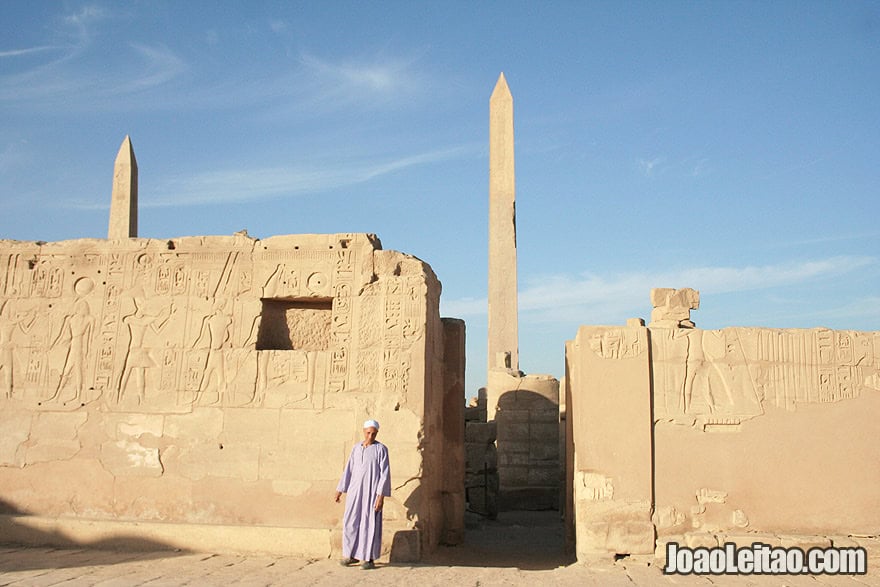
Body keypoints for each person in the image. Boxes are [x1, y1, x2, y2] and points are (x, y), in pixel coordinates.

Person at [335, 419, 391, 570]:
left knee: (369, 523)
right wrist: (340, 489)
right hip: (355, 492)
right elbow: (349, 469)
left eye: (373, 434)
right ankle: (351, 554)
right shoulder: (356, 449)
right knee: (351, 521)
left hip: (372, 493)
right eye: (368, 433)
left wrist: (380, 496)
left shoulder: (381, 449)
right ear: (363, 432)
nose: (370, 436)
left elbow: (384, 474)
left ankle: (368, 558)